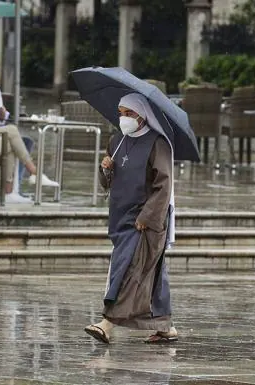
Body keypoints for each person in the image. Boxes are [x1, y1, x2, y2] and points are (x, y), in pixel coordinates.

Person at [84, 93, 178, 345]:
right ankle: (164, 325)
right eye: (120, 113)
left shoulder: (158, 144)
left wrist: (147, 216)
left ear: (141, 115)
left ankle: (107, 324)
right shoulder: (116, 141)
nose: (124, 118)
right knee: (152, 272)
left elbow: (163, 185)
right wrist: (105, 170)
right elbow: (109, 183)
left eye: (129, 114)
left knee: (128, 269)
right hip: (121, 216)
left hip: (145, 220)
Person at [0, 57, 58, 203]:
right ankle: (31, 175)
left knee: (24, 141)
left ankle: (14, 188)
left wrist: (1, 113)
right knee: (12, 132)